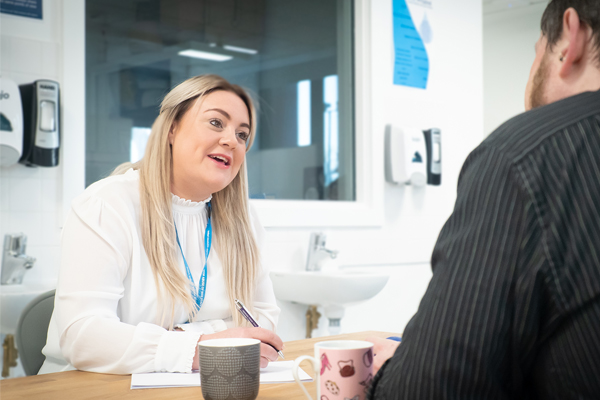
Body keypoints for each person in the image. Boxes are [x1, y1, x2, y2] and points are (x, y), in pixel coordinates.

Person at [367, 1, 600, 398]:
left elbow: (434, 389)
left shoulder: (525, 155)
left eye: (536, 48)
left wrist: (393, 367)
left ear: (569, 36)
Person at [40, 74, 283, 374]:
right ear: (171, 129)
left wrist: (186, 340)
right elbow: (83, 336)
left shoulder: (244, 221)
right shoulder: (108, 204)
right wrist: (203, 346)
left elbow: (263, 320)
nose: (231, 140)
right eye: (216, 123)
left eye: (242, 134)